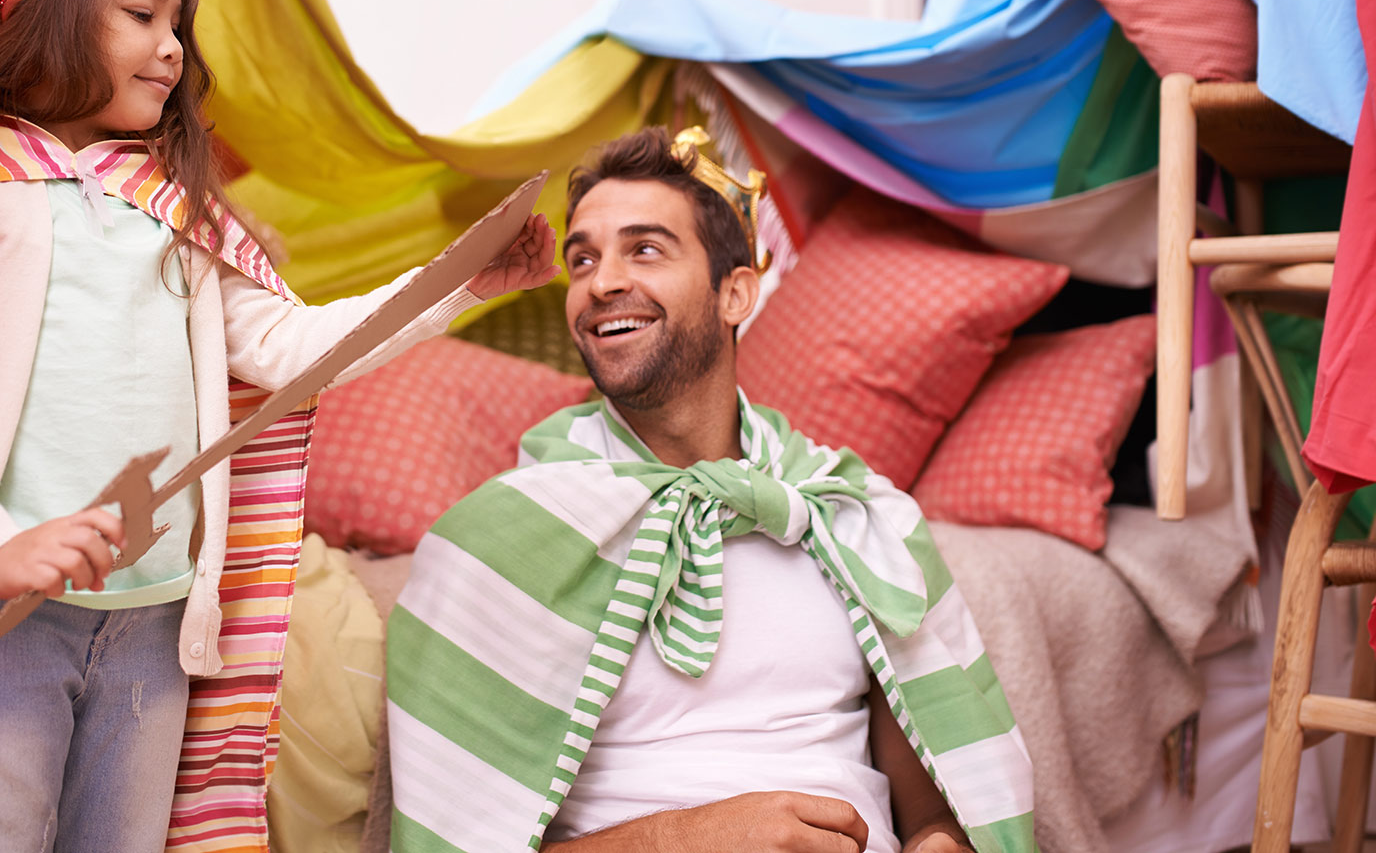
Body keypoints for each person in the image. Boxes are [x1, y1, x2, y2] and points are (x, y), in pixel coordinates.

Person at [0, 0, 556, 853]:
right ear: (41, 20)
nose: (173, 45)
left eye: (176, 22)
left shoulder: (177, 209)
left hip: (153, 625)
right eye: (143, 14)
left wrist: (453, 286)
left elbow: (289, 351)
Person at [383, 128, 1035, 853]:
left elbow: (939, 816)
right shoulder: (497, 546)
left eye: (646, 249)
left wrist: (941, 844)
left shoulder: (850, 518)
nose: (602, 282)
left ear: (736, 292)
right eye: (584, 259)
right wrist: (683, 838)